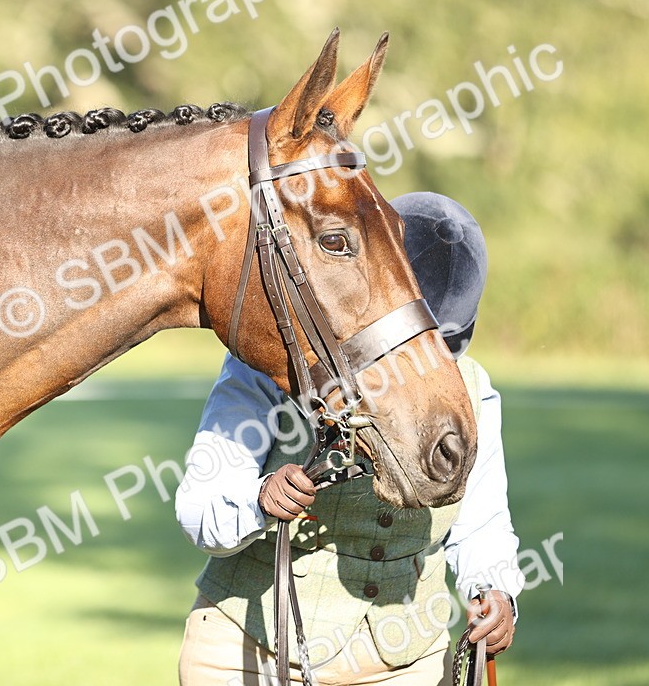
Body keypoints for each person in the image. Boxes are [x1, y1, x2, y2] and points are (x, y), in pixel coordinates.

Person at [175, 192, 523, 686]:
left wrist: (497, 592)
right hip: (249, 652)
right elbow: (198, 509)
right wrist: (259, 499)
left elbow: (481, 522)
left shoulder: (474, 391)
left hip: (406, 663)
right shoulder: (263, 367)